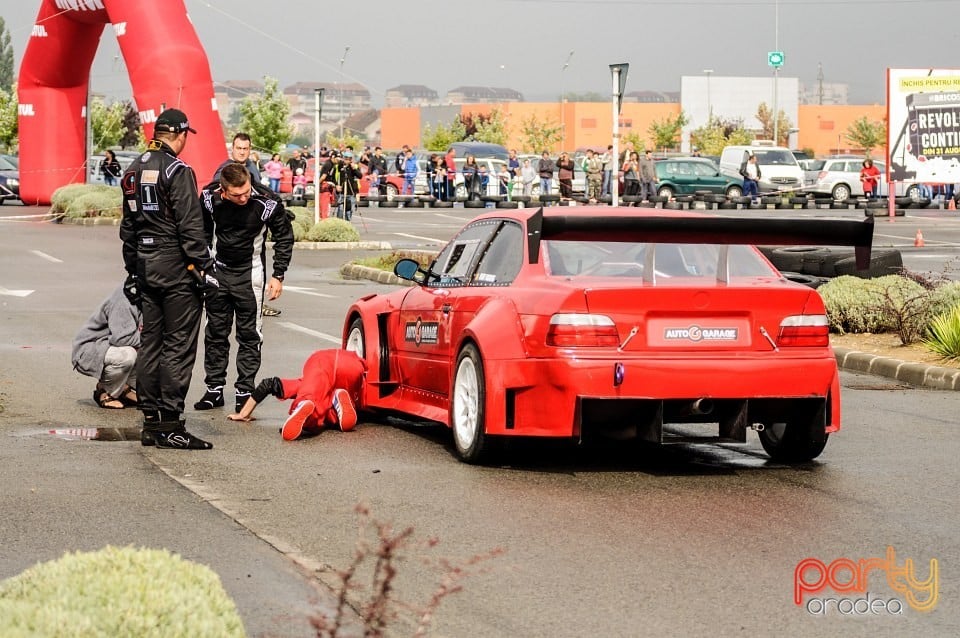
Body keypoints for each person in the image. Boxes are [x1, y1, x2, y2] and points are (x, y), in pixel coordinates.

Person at [119, 107, 215, 450]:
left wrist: (132, 269)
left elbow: (128, 229)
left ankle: (151, 420)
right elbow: (191, 227)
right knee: (179, 346)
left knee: (151, 344)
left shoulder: (132, 171)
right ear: (180, 134)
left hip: (144, 264)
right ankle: (171, 423)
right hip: (176, 266)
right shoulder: (177, 170)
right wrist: (204, 266)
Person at [194, 162, 294, 414]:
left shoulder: (267, 202)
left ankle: (244, 391)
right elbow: (202, 232)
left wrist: (278, 275)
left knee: (250, 335)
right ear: (223, 191)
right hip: (218, 271)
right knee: (216, 331)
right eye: (236, 195)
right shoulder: (208, 198)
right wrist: (203, 267)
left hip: (250, 275)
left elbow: (284, 236)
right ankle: (214, 389)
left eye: (246, 191)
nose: (243, 198)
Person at [228, 349, 366, 442]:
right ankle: (335, 402)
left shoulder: (303, 383)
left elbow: (268, 384)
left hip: (321, 361)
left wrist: (243, 414)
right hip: (354, 365)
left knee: (313, 400)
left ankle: (303, 405)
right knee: (328, 410)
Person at [72, 283, 141, 410]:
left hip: (113, 345)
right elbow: (122, 338)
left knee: (149, 349)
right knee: (128, 355)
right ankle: (106, 390)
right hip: (92, 349)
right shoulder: (125, 298)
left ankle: (123, 388)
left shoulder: (152, 296)